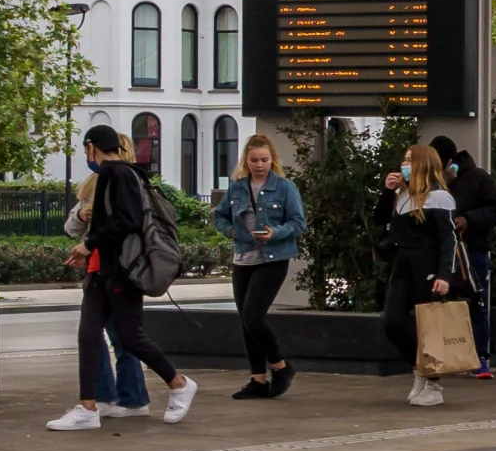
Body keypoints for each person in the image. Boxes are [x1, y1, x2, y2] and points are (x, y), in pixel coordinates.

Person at [49, 125, 194, 431]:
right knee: (88, 335)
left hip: (120, 272)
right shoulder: (116, 174)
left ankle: (178, 383)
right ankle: (87, 407)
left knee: (130, 337)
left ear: (91, 147)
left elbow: (128, 221)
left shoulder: (117, 174)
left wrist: (88, 244)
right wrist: (89, 251)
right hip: (101, 272)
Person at [212, 131, 306, 399]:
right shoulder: (237, 187)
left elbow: (298, 222)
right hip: (243, 257)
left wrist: (274, 233)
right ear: (246, 161)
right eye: (254, 160)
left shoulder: (285, 187)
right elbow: (219, 217)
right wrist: (231, 232)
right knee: (245, 321)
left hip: (272, 258)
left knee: (253, 316)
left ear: (272, 160)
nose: (259, 165)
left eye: (264, 160)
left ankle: (281, 366)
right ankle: (258, 379)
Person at [378, 140, 465, 406]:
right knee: (392, 322)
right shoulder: (402, 196)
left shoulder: (439, 197)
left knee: (428, 327)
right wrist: (386, 191)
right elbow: (380, 220)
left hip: (427, 265)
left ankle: (433, 385)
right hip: (403, 264)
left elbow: (447, 239)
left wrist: (444, 275)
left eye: (408, 160)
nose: (404, 165)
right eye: (403, 160)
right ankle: (420, 369)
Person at [428, 132, 496, 380]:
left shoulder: (477, 177)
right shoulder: (431, 180)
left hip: (471, 250)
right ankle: (448, 355)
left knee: (476, 301)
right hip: (442, 252)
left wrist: (470, 219)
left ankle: (480, 358)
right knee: (441, 303)